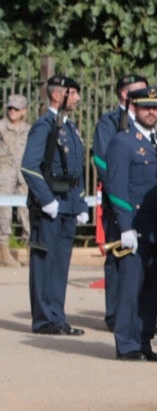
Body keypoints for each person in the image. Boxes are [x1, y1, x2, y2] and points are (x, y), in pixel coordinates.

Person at [101, 86, 157, 361]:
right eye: (145, 107)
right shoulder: (123, 141)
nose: (151, 112)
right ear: (134, 109)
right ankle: (127, 343)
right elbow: (117, 187)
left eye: (155, 107)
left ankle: (144, 340)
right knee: (131, 288)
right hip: (134, 228)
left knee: (152, 289)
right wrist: (125, 225)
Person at [22, 75, 90, 334]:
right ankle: (44, 319)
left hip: (68, 203)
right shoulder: (44, 125)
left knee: (61, 264)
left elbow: (76, 169)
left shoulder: (69, 127)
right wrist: (46, 199)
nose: (77, 98)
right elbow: (29, 165)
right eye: (72, 93)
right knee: (45, 263)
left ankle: (57, 317)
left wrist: (80, 202)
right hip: (49, 204)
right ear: (57, 95)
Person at [91, 73, 146, 325]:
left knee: (139, 257)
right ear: (124, 94)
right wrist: (118, 191)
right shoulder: (110, 122)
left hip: (142, 200)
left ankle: (135, 312)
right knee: (118, 255)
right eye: (138, 91)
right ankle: (115, 313)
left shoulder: (144, 122)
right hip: (119, 198)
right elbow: (102, 161)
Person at [0, 94, 30, 267]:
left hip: (23, 173)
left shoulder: (29, 129)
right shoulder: (1, 127)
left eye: (16, 109)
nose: (12, 111)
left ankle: (30, 248)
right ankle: (4, 250)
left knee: (27, 210)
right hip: (5, 173)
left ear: (23, 111)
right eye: (10, 108)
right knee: (4, 213)